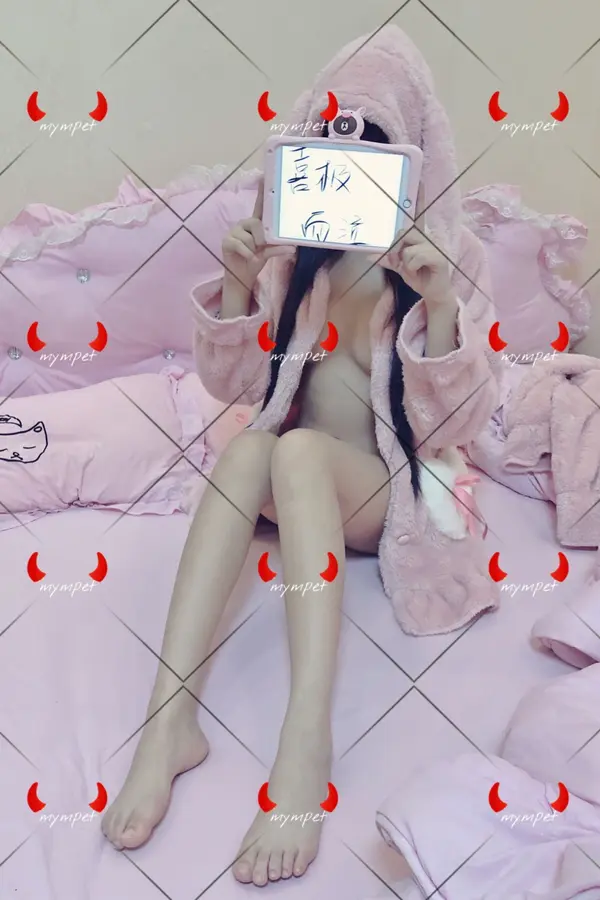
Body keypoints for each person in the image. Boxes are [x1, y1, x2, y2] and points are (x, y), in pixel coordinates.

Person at [102, 23, 500, 887]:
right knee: (256, 450)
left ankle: (305, 740)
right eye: (331, 141)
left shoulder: (446, 257)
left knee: (300, 453)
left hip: (381, 495)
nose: (348, 161)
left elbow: (458, 425)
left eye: (373, 146)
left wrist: (439, 308)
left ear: (408, 158)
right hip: (295, 476)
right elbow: (234, 385)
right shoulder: (297, 256)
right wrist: (240, 282)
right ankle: (169, 722)